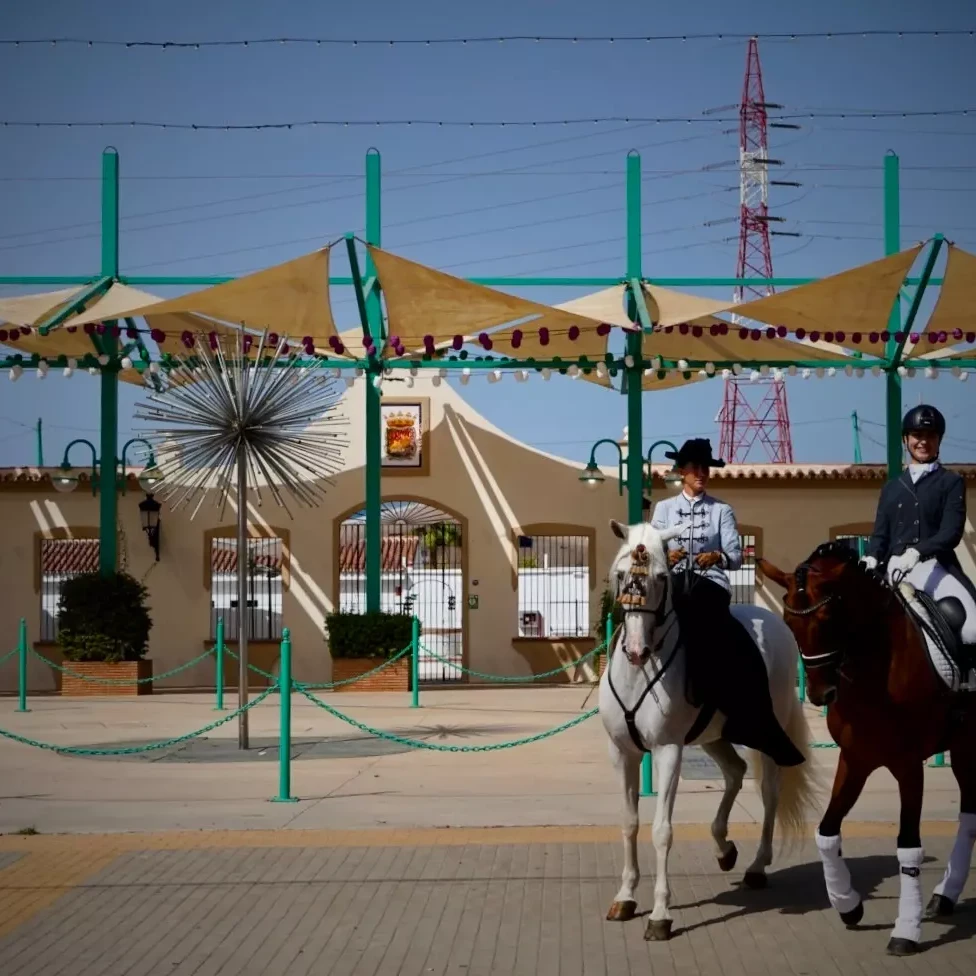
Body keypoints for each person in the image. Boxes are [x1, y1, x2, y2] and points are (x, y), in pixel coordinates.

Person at [651, 438, 804, 767]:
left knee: (714, 625)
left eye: (706, 468)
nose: (702, 474)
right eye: (695, 469)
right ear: (683, 472)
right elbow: (652, 549)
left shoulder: (722, 510)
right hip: (675, 581)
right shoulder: (663, 509)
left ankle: (737, 707)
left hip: (710, 584)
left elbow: (736, 556)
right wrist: (667, 553)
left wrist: (716, 554)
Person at [862, 404, 976, 647]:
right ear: (906, 440)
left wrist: (918, 552)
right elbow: (881, 534)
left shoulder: (951, 482)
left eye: (930, 436)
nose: (923, 442)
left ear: (939, 441)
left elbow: (951, 531)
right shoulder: (891, 488)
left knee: (972, 629)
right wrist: (871, 557)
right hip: (892, 568)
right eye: (917, 436)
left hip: (935, 566)